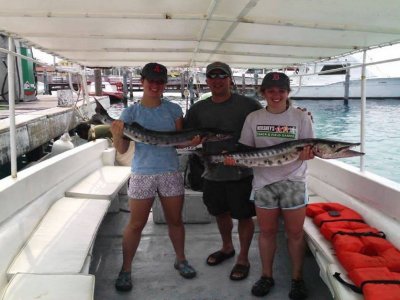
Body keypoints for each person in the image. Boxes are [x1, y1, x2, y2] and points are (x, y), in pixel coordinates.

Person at [225, 72, 314, 299]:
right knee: (266, 232)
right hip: (264, 183)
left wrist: (307, 155)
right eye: (271, 91)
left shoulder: (301, 117)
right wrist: (232, 158)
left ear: (288, 93)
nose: (276, 95)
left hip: (294, 182)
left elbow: (309, 151)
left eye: (281, 91)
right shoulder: (253, 118)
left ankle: (297, 279)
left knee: (295, 234)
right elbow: (246, 150)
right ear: (263, 92)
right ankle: (266, 276)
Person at [111, 62, 199, 292]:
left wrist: (194, 141)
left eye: (160, 82)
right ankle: (126, 269)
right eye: (151, 81)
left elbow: (179, 140)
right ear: (142, 82)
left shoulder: (173, 110)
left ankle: (181, 260)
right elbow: (121, 150)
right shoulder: (131, 113)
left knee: (175, 220)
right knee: (136, 224)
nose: (155, 85)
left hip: (170, 171)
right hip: (142, 173)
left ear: (165, 84)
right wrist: (116, 135)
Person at [184, 62, 263, 281]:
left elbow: (270, 120)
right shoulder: (199, 109)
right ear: (206, 80)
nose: (217, 80)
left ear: (230, 79)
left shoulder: (249, 104)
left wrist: (297, 113)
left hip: (243, 172)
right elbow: (185, 135)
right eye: (212, 76)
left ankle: (243, 258)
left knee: (244, 215)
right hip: (212, 172)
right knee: (220, 212)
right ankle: (227, 247)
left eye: (222, 76)